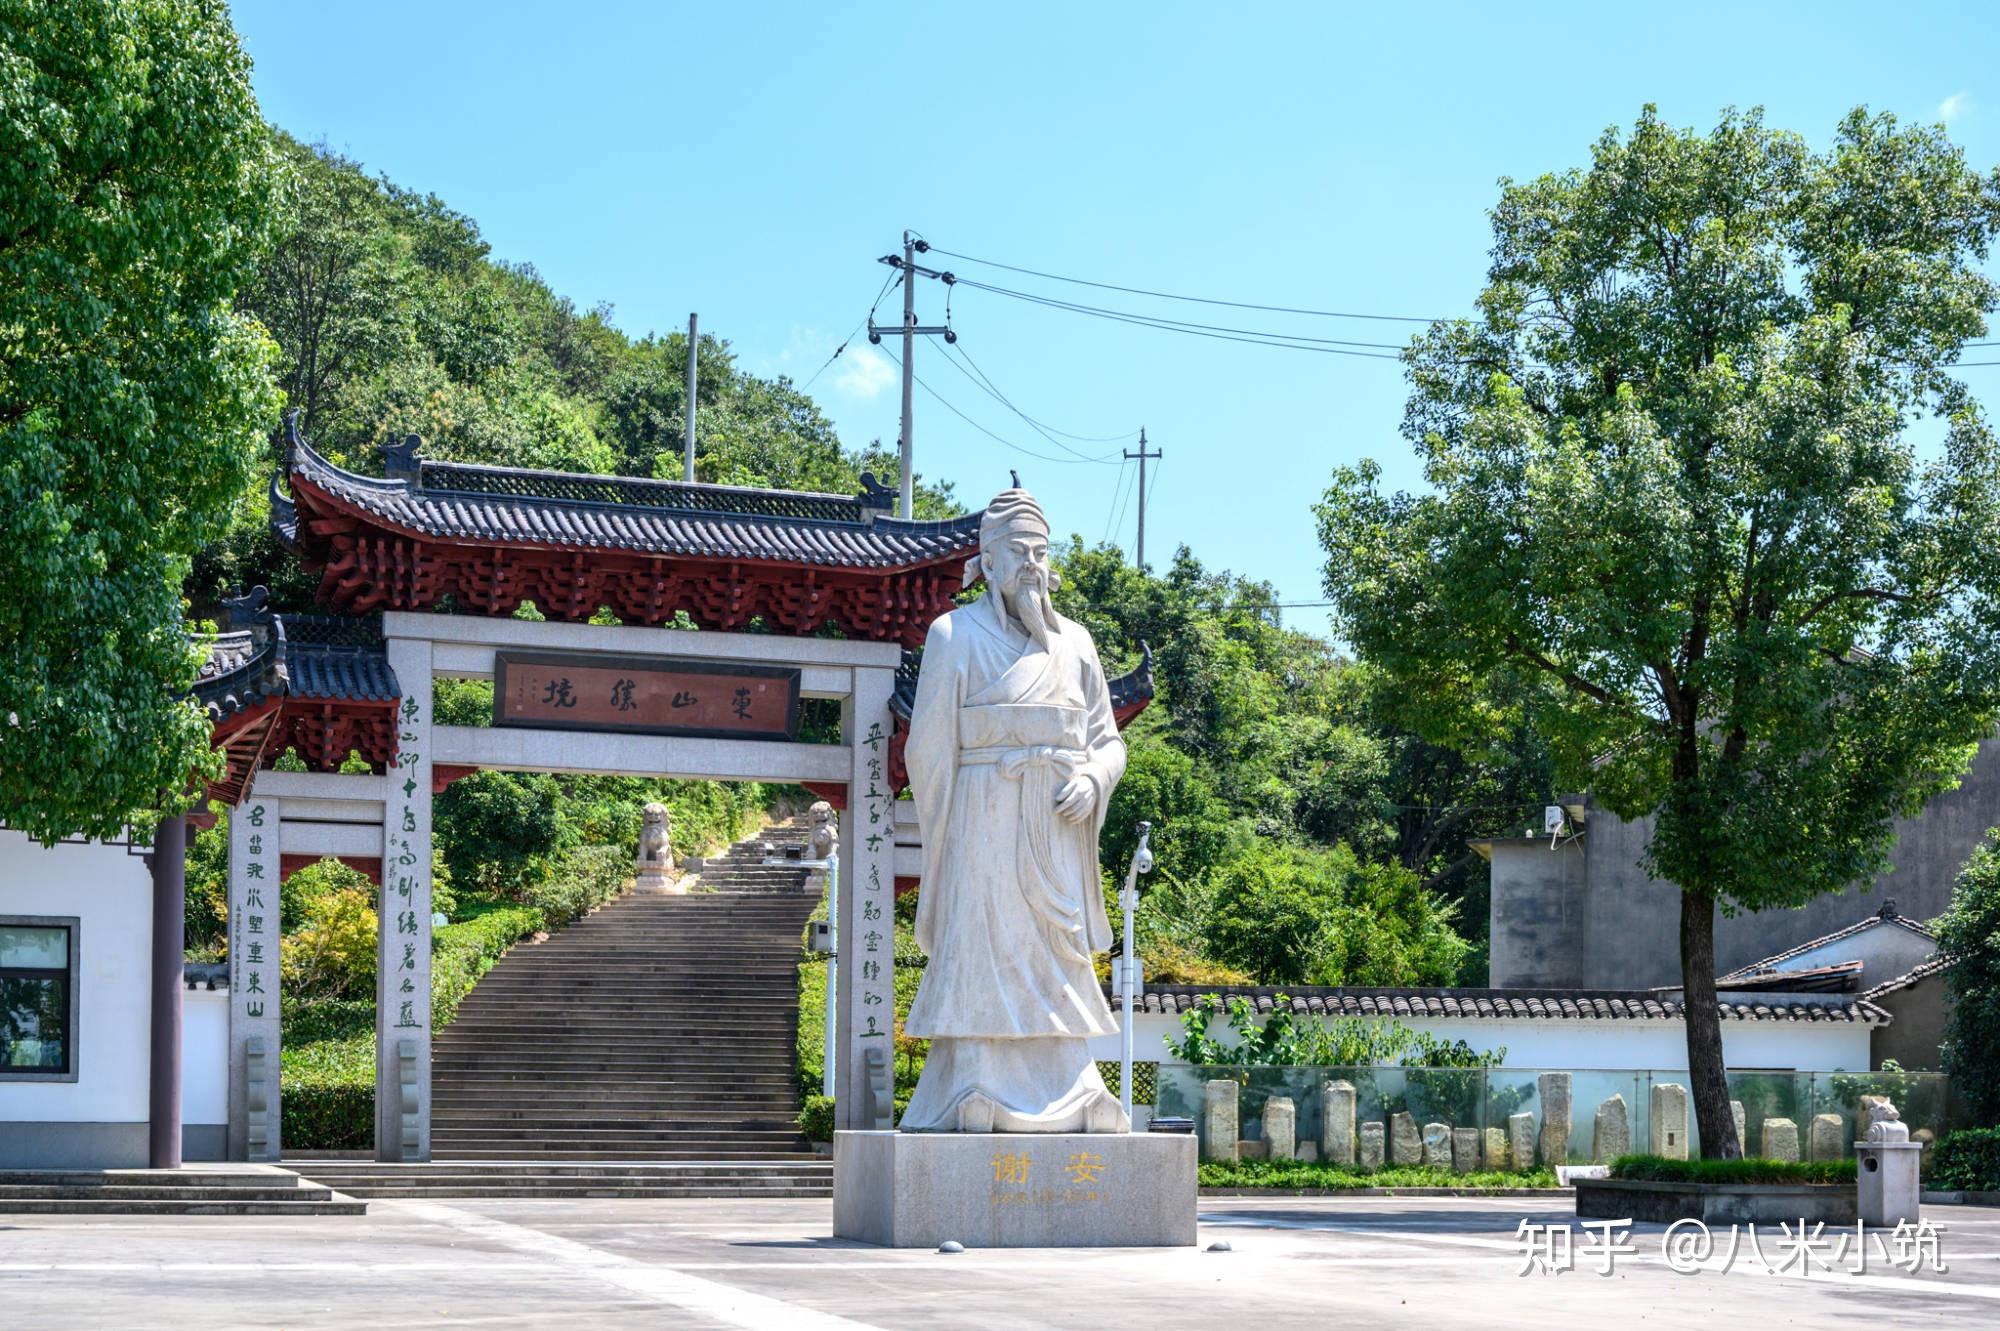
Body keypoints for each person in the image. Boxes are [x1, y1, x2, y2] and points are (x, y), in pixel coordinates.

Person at [900, 485, 1129, 1133]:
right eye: (1018, 551)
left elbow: (1108, 741)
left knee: (1058, 956)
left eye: (1040, 552)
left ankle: (1072, 1078)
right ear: (988, 560)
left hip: (1056, 825)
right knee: (984, 946)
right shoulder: (954, 635)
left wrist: (1092, 777)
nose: (1031, 564)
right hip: (984, 821)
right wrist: (951, 834)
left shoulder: (1076, 643)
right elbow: (928, 748)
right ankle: (974, 1073)